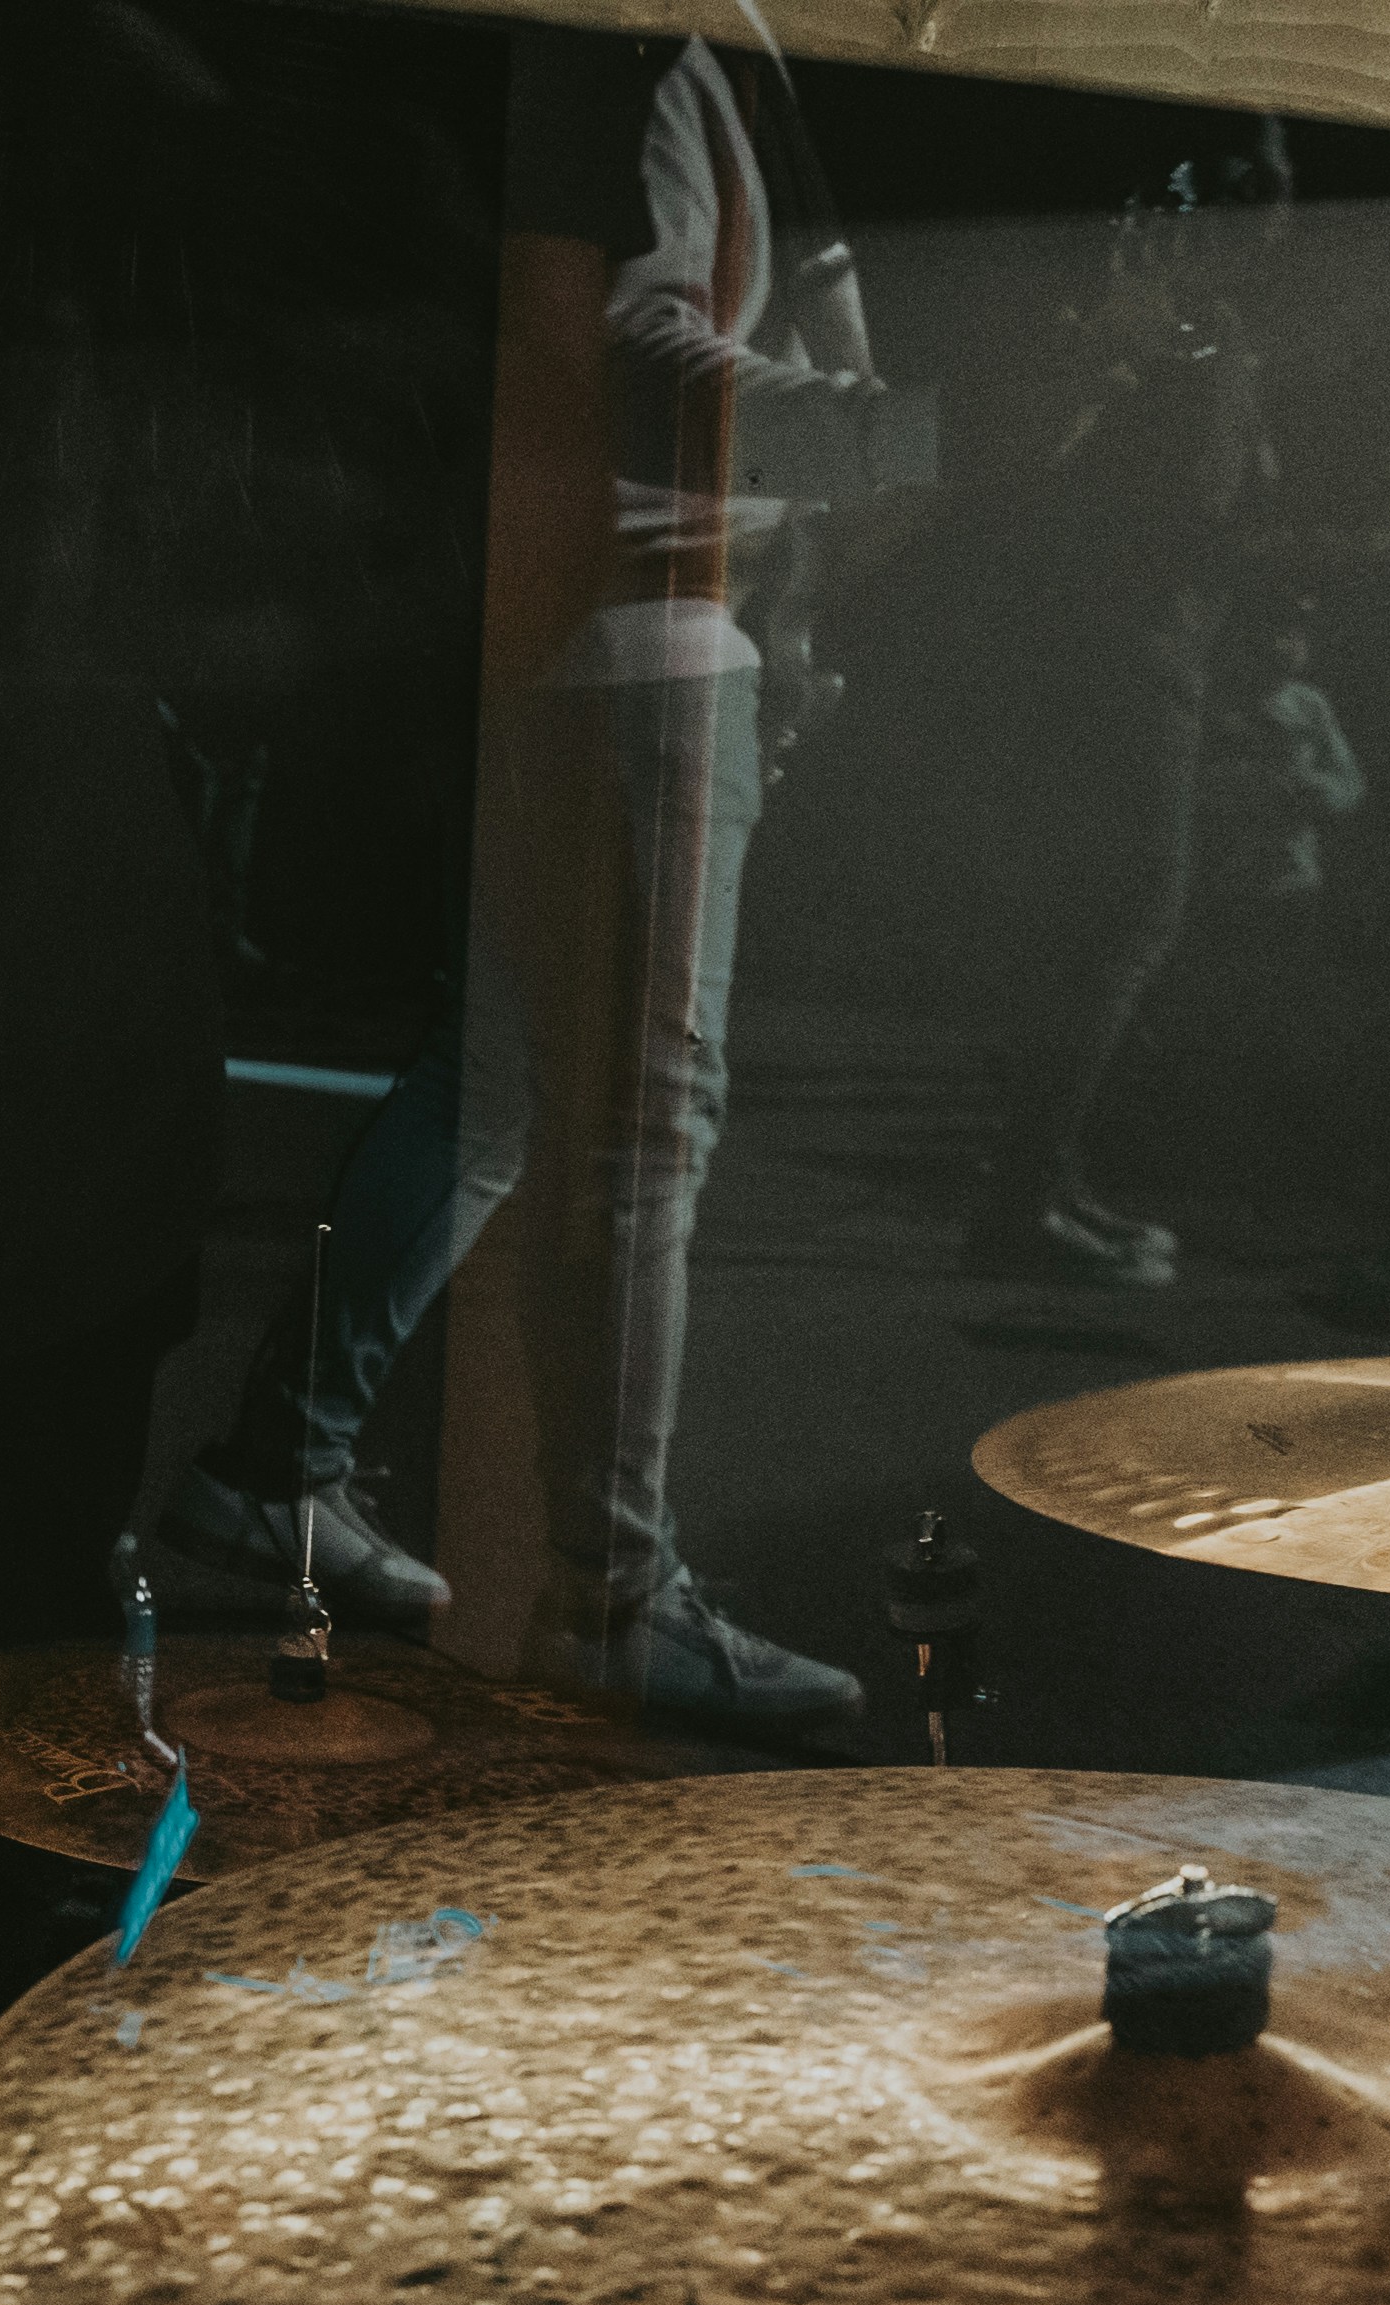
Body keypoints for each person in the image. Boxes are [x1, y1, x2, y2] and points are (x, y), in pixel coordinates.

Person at [144, 31, 870, 1732]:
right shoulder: (638, 47)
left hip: (584, 633)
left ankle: (278, 1467)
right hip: (644, 641)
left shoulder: (674, 54)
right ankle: (612, 1596)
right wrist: (902, 434)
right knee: (645, 1120)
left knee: (492, 1083)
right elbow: (630, 347)